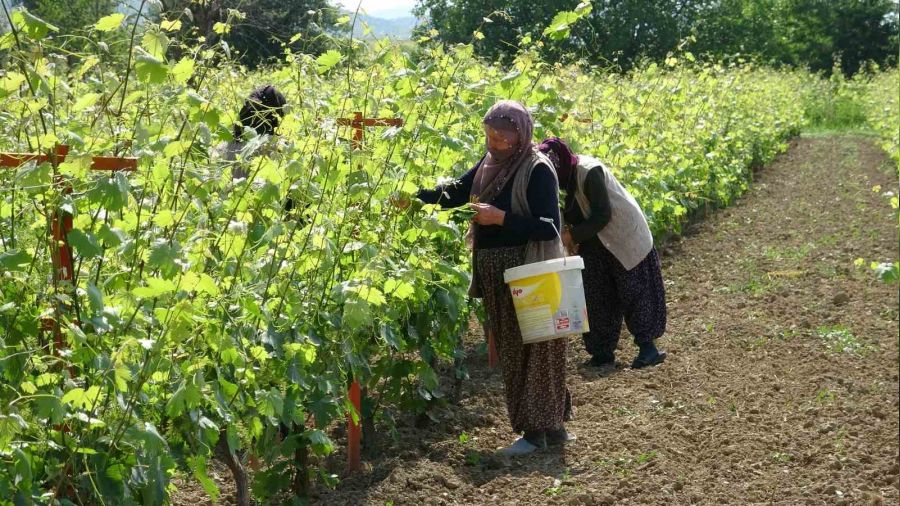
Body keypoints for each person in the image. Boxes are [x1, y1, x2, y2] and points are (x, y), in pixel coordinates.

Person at [407, 101, 574, 455]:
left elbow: (549, 228)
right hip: (498, 273)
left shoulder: (537, 169)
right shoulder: (487, 166)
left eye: (502, 137)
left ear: (521, 136)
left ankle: (538, 432)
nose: (495, 143)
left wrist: (501, 218)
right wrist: (413, 199)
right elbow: (452, 193)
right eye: (490, 135)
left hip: (530, 270)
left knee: (540, 347)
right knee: (517, 348)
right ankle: (547, 428)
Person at [538, 137, 667, 370]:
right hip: (595, 243)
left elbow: (602, 214)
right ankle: (602, 353)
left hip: (624, 237)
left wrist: (572, 236)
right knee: (597, 295)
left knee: (635, 291)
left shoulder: (589, 171)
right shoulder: (559, 183)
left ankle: (649, 349)